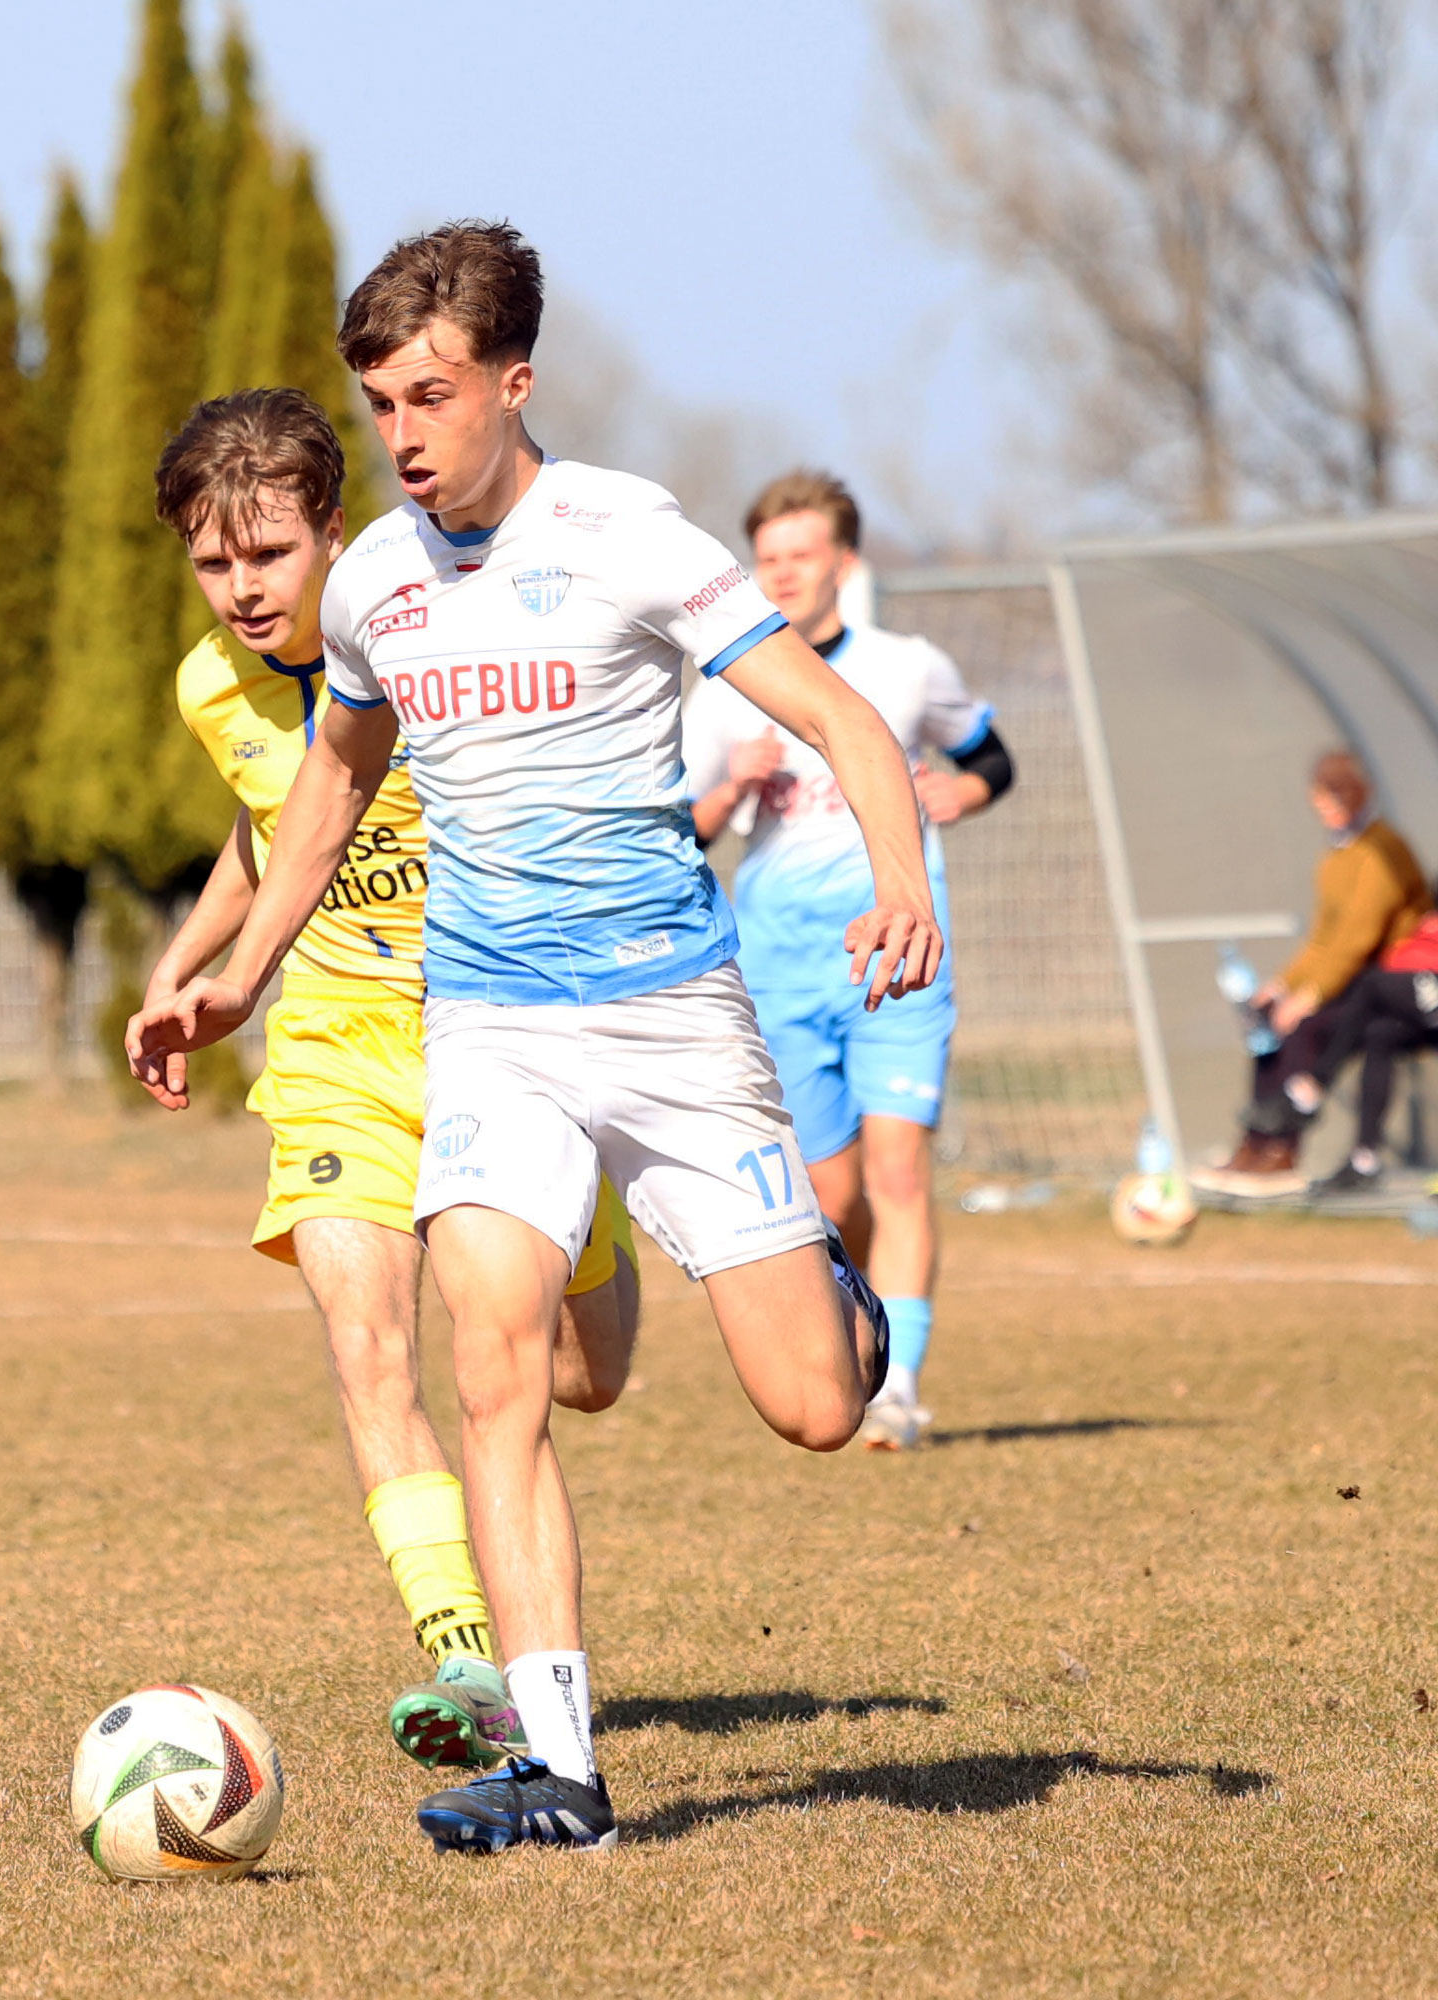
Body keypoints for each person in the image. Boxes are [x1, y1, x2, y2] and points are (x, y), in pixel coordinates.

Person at [129, 222, 942, 1855]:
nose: (404, 434)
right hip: (490, 1031)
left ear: (514, 382)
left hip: (673, 1024)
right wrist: (238, 976)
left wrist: (903, 885)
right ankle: (560, 1769)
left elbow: (841, 716)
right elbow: (329, 783)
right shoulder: (374, 582)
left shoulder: (629, 538)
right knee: (489, 1363)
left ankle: (838, 1304)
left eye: (430, 396)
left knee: (813, 1407)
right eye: (382, 405)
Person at [138, 385, 641, 1776]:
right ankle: (467, 1656)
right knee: (370, 1347)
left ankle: (618, 1236)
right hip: (334, 1045)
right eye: (213, 562)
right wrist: (187, 964)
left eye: (268, 553)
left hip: (501, 1033)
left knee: (582, 1376)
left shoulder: (430, 636)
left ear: (333, 532)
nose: (241, 589)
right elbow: (271, 828)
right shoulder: (208, 685)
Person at [682, 472, 1012, 1450]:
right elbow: (682, 830)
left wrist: (959, 793)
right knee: (832, 1197)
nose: (783, 573)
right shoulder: (728, 688)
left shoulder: (905, 668)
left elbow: (990, 757)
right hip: (782, 963)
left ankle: (898, 1388)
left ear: (844, 562)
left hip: (899, 952)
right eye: (767, 559)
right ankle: (864, 1337)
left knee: (898, 1168)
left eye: (801, 554)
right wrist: (732, 788)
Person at [1198, 750, 1429, 1194]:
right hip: (1349, 982)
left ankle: (1284, 1148)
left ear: (1356, 795)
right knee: (1268, 1020)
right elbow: (1324, 939)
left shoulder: (1381, 850)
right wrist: (1283, 985)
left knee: (1305, 1025)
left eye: (1334, 797)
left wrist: (1311, 995)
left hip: (1386, 984)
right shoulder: (1336, 855)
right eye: (1321, 798)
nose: (1325, 807)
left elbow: (1358, 939)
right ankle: (1256, 1140)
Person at [1281, 908, 1438, 1194]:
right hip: (1420, 990)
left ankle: (1317, 1082)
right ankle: (1364, 1160)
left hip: (1429, 987)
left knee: (1372, 984)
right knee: (1380, 1034)